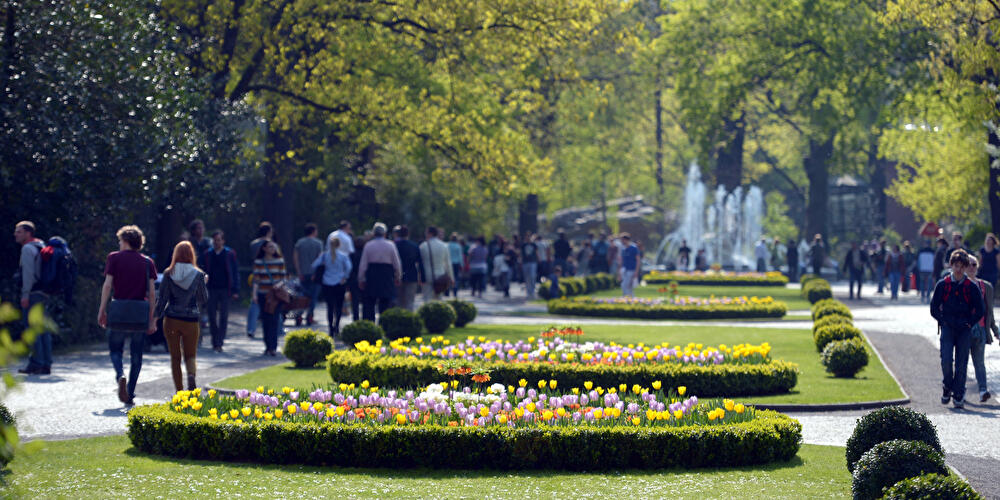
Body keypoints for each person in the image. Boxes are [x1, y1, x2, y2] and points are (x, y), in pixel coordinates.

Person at [97, 225, 157, 405]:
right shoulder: (147, 262)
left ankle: (120, 375)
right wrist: (152, 318)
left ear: (125, 241)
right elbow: (152, 293)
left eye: (120, 240)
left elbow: (108, 285)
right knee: (136, 355)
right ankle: (130, 392)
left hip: (119, 310)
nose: (119, 244)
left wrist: (102, 309)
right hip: (139, 313)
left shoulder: (114, 258)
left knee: (115, 349)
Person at [930, 249, 984, 409]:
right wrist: (942, 321)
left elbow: (980, 309)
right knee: (946, 360)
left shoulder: (971, 287)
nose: (959, 269)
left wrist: (969, 323)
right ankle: (947, 386)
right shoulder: (943, 284)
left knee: (961, 363)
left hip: (964, 329)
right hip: (947, 328)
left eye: (962, 266)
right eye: (956, 266)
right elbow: (933, 307)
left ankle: (959, 392)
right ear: (951, 265)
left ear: (966, 267)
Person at [154, 241, 208, 391]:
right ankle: (191, 375)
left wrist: (155, 318)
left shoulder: (168, 273)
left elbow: (162, 299)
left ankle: (179, 390)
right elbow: (203, 298)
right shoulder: (198, 274)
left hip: (172, 319)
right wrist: (204, 283)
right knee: (190, 354)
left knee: (175, 357)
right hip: (191, 320)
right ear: (192, 255)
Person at [14, 221, 50, 375]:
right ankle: (46, 363)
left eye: (19, 232)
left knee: (32, 329)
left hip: (33, 293)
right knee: (43, 329)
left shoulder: (28, 248)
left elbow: (28, 274)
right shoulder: (41, 245)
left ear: (28, 233)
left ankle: (36, 363)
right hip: (44, 293)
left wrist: (25, 295)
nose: (15, 234)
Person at [966, 256, 999, 402]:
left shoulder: (986, 286)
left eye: (974, 264)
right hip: (964, 331)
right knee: (961, 362)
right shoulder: (960, 284)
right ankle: (959, 392)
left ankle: (983, 391)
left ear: (978, 266)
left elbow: (989, 312)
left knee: (979, 362)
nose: (971, 267)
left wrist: (995, 331)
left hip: (980, 331)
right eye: (968, 264)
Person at [202, 230, 239, 352]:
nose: (217, 242)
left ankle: (220, 342)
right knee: (212, 316)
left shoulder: (229, 254)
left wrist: (235, 290)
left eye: (219, 240)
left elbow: (235, 272)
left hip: (225, 289)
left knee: (224, 316)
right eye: (215, 240)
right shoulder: (208, 254)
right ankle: (215, 340)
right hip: (211, 289)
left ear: (223, 241)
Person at [357, 222, 402, 320]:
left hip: (372, 275)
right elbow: (397, 263)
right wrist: (398, 276)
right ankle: (384, 323)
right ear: (384, 233)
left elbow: (363, 265)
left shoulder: (368, 245)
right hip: (386, 275)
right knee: (386, 303)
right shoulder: (390, 245)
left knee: (369, 303)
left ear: (374, 233)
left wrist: (361, 279)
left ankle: (370, 324)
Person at [251, 240, 286, 357]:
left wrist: (278, 285)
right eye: (270, 247)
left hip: (275, 295)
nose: (273, 249)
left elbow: (283, 278)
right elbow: (256, 280)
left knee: (274, 320)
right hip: (263, 294)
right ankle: (267, 346)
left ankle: (273, 347)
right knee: (265, 320)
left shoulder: (279, 261)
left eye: (274, 247)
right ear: (264, 249)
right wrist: (254, 294)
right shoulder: (259, 262)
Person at [312, 236, 352, 335]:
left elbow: (314, 265)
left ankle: (330, 327)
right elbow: (349, 267)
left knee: (330, 306)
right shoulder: (343, 256)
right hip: (339, 282)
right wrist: (345, 276)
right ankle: (337, 326)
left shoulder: (324, 255)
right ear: (339, 245)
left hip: (327, 282)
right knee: (339, 306)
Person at [293, 223, 324, 326]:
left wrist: (299, 272)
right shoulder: (318, 243)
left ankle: (299, 314)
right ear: (314, 231)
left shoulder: (299, 243)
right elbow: (320, 259)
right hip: (313, 273)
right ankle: (310, 316)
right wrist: (316, 273)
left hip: (303, 272)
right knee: (313, 296)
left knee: (301, 295)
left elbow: (296, 258)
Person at [246, 221, 273, 339]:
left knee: (255, 302)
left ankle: (251, 328)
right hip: (269, 275)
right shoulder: (271, 244)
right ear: (269, 232)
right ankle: (278, 328)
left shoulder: (253, 244)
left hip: (256, 274)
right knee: (273, 301)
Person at [419, 226, 454, 302]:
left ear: (430, 233)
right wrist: (451, 277)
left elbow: (420, 264)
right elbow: (448, 263)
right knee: (439, 300)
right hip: (440, 276)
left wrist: (419, 277)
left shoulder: (423, 246)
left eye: (426, 232)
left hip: (426, 276)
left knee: (427, 300)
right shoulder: (444, 245)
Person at [394, 225, 422, 310]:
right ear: (408, 234)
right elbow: (419, 263)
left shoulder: (394, 245)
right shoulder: (414, 246)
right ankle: (409, 317)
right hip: (412, 275)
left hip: (397, 276)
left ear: (398, 234)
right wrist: (421, 277)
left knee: (399, 301)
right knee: (410, 301)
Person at [347, 236, 366, 321]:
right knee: (365, 301)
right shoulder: (365, 254)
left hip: (353, 280)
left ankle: (356, 318)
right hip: (364, 280)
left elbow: (349, 269)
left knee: (355, 301)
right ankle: (365, 318)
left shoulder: (351, 254)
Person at [521, 234, 539, 299]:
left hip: (533, 262)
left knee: (532, 276)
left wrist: (538, 260)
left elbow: (537, 253)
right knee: (527, 277)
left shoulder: (534, 245)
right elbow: (521, 254)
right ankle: (528, 292)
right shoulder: (523, 245)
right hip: (525, 262)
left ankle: (532, 291)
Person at [447, 233, 463, 297]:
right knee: (456, 278)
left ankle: (447, 290)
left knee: (448, 277)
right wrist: (462, 265)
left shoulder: (448, 245)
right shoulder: (458, 246)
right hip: (456, 263)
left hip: (449, 263)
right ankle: (455, 290)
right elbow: (460, 256)